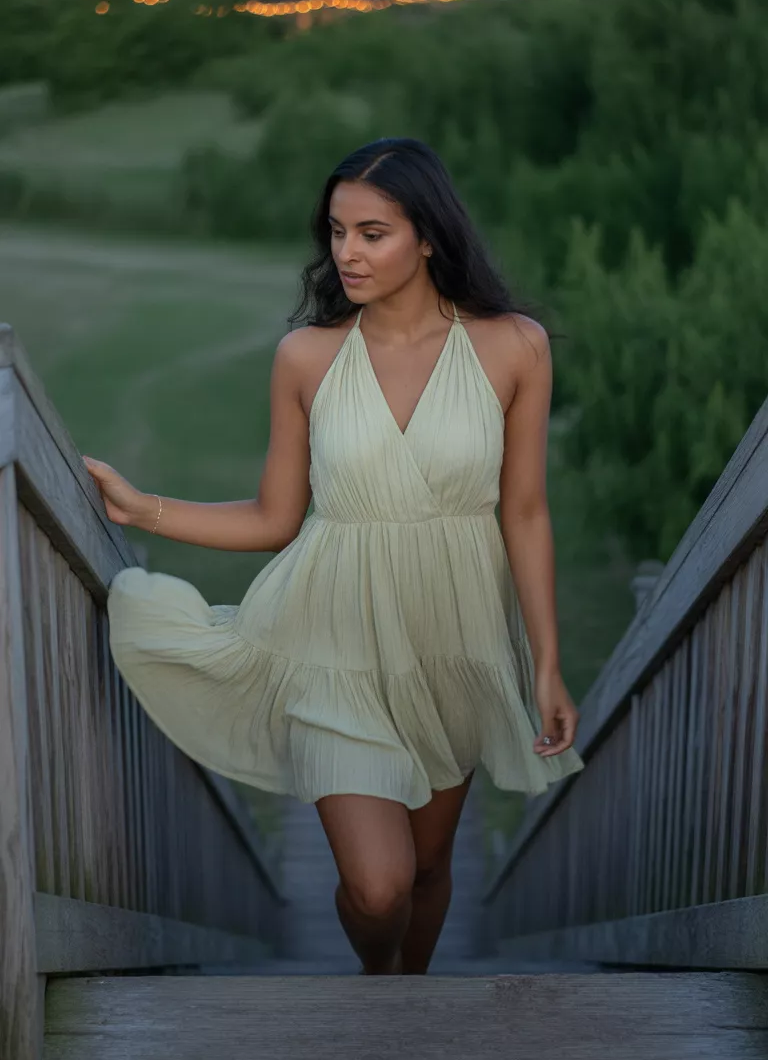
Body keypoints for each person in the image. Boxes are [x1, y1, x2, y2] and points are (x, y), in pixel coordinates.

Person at [84, 136, 584, 976]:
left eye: (372, 233)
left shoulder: (514, 347)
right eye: (338, 230)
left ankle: (407, 998)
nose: (346, 251)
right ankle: (377, 985)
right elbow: (276, 519)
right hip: (330, 646)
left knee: (427, 869)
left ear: (428, 238)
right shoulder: (308, 357)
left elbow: (526, 515)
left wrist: (546, 664)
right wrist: (146, 509)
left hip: (454, 646)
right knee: (379, 887)